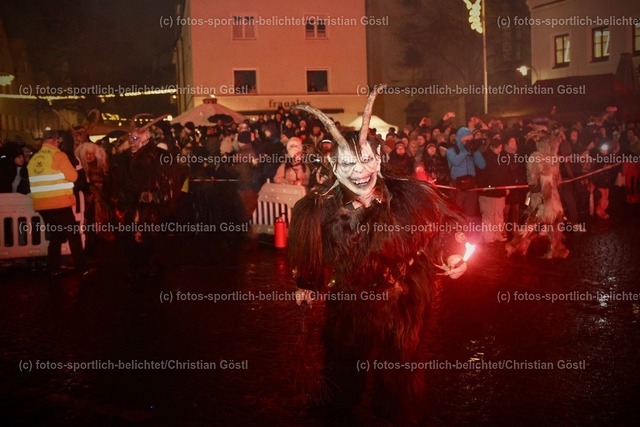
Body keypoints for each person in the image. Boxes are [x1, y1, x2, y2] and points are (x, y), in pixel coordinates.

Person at [289, 87, 470, 424]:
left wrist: (453, 254)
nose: (360, 171)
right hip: (352, 301)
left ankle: (395, 414)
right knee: (344, 366)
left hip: (402, 302)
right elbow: (310, 252)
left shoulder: (411, 196)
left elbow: (445, 225)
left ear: (378, 158)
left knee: (399, 372)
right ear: (334, 165)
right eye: (348, 163)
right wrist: (307, 283)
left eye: (366, 159)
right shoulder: (318, 208)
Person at [26, 130, 94, 279]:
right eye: (58, 141)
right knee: (73, 234)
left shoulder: (34, 158)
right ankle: (82, 268)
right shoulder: (58, 155)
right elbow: (74, 177)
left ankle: (52, 268)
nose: (58, 144)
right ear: (54, 140)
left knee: (56, 235)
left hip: (41, 205)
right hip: (59, 203)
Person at [446, 117, 487, 216]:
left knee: (470, 213)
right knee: (458, 213)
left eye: (470, 139)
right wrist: (465, 151)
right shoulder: (451, 150)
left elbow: (482, 165)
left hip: (471, 185)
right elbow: (455, 162)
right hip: (458, 185)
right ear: (461, 139)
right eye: (466, 139)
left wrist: (475, 150)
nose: (469, 141)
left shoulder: (471, 149)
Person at [476, 138, 510, 242]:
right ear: (492, 147)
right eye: (497, 148)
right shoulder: (484, 157)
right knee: (488, 214)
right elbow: (480, 174)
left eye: (500, 147)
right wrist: (484, 186)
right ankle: (488, 236)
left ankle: (498, 234)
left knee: (499, 214)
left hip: (499, 191)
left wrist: (506, 186)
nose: (499, 150)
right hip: (488, 192)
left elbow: (505, 174)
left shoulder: (502, 158)